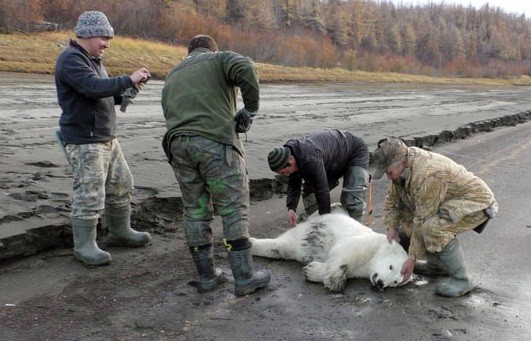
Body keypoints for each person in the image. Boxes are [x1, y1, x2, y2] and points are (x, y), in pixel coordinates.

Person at [161, 34, 270, 296]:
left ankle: (207, 277)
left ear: (189, 52)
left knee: (195, 210)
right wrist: (250, 110)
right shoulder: (218, 59)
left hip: (178, 148)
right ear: (211, 49)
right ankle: (244, 278)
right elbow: (246, 66)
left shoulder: (173, 75)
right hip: (214, 143)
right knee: (233, 207)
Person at [54, 10, 152, 267]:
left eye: (109, 38)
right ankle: (84, 246)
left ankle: (120, 232)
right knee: (89, 194)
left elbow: (105, 94)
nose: (107, 43)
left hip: (106, 138)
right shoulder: (71, 60)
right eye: (103, 38)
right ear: (87, 34)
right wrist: (126, 79)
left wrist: (130, 89)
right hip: (84, 140)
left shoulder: (93, 59)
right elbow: (92, 87)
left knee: (122, 185)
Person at [369, 137, 498, 297]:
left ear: (401, 163)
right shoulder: (403, 167)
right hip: (446, 200)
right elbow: (393, 199)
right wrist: (392, 227)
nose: (388, 177)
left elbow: (423, 218)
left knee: (432, 228)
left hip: (476, 202)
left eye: (389, 172)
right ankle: (438, 267)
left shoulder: (427, 174)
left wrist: (412, 259)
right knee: (408, 224)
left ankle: (462, 280)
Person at [267, 129, 369, 226]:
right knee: (310, 196)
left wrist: (325, 219)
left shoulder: (309, 158)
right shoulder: (290, 154)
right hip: (333, 159)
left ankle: (354, 233)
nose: (286, 175)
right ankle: (316, 225)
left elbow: (322, 189)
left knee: (352, 199)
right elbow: (294, 182)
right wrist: (291, 208)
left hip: (354, 151)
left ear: (291, 160)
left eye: (284, 172)